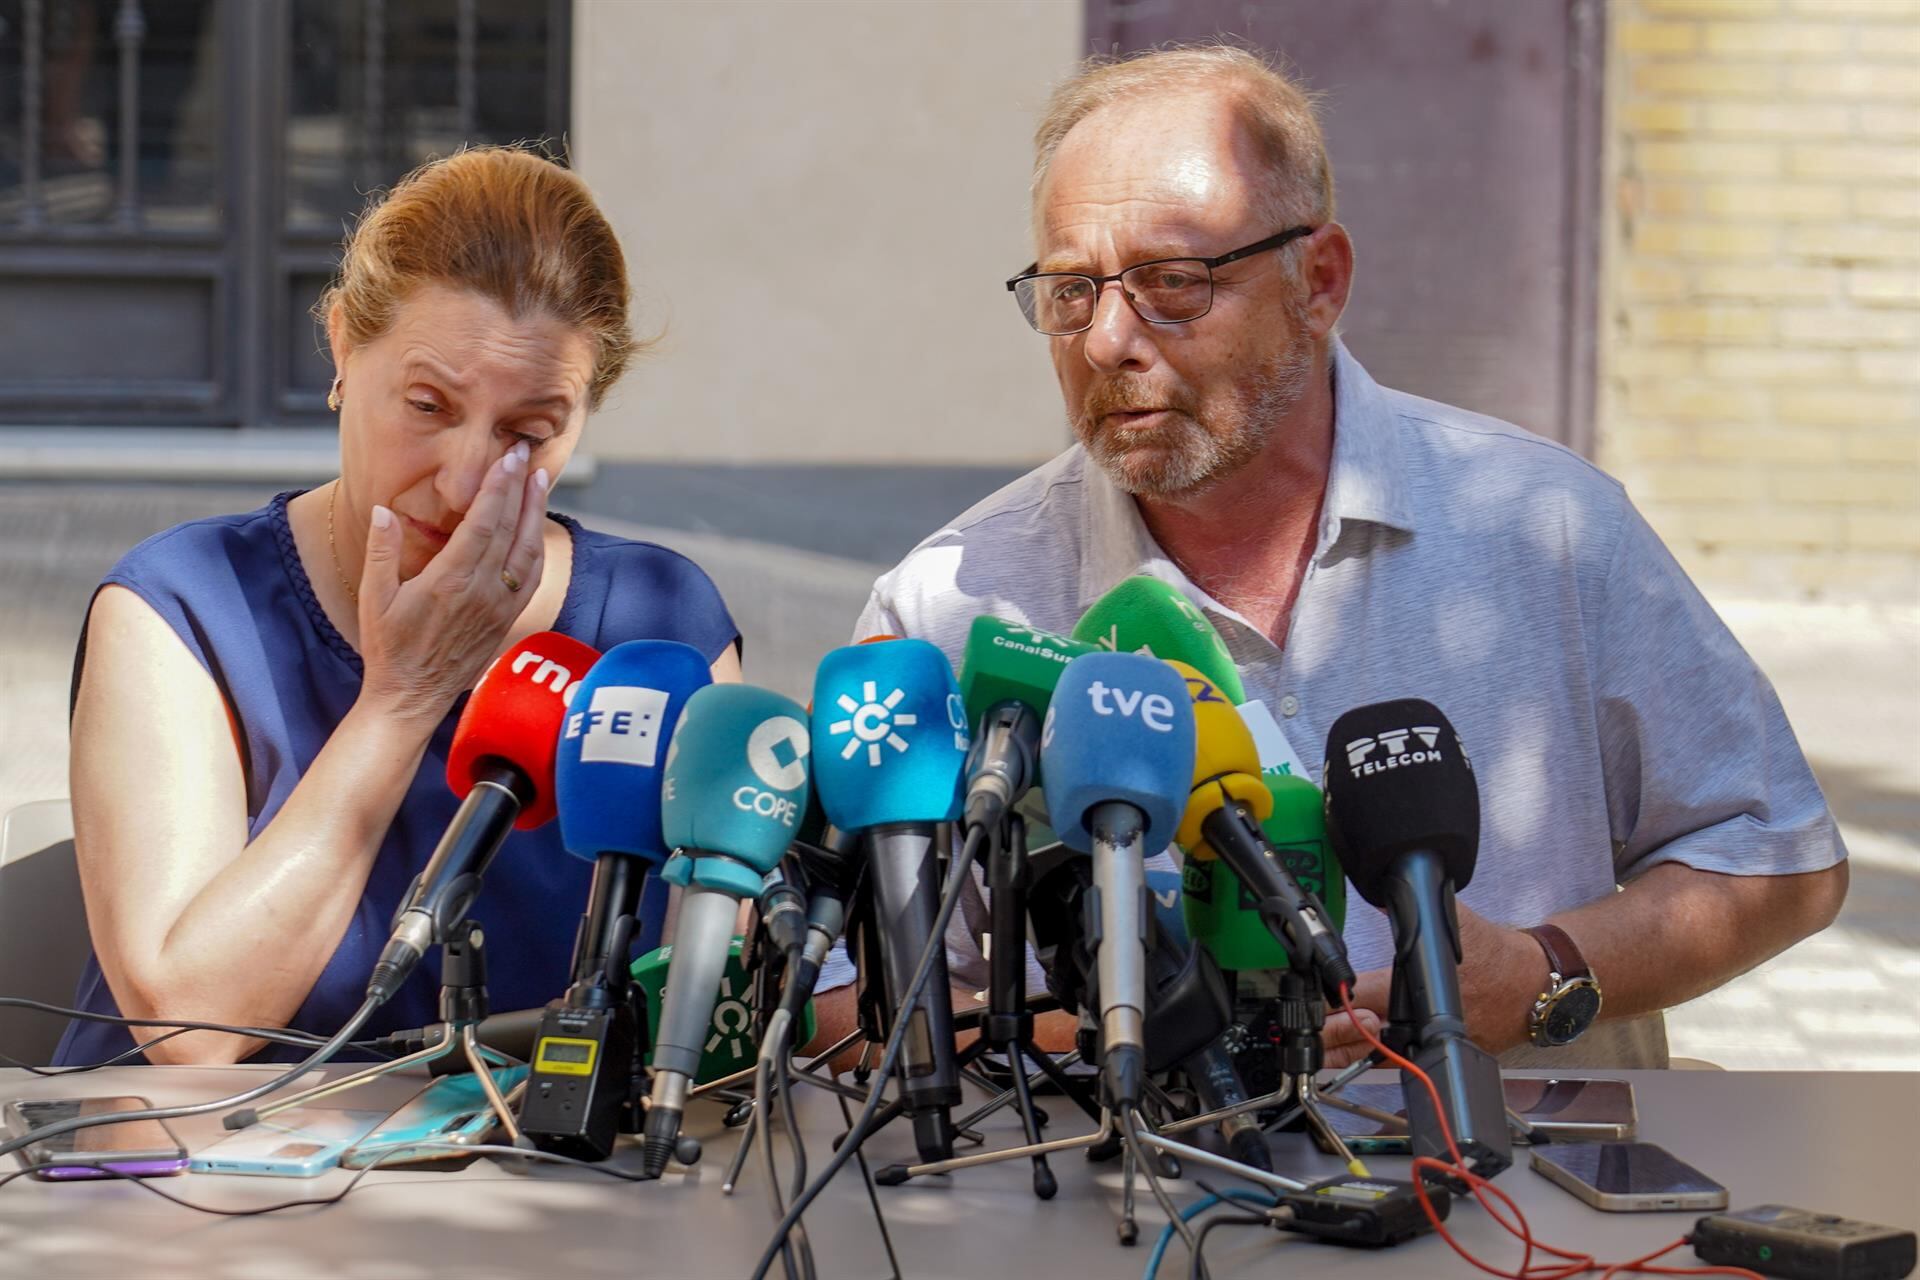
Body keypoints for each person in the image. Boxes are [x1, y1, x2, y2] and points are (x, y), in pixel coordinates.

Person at [854, 48, 1848, 1069]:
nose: (1106, 339)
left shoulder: (1549, 529)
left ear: (1319, 282)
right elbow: (862, 1000)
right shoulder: (949, 608)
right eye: (1071, 290)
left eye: (1172, 282)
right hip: (1119, 1170)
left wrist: (1543, 973)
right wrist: (1128, 1035)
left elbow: (1777, 857)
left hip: (1522, 1165)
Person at [59, 147, 741, 1066]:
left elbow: (717, 1019)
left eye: (527, 433)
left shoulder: (659, 623)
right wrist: (404, 696)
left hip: (535, 1153)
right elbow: (187, 1023)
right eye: (427, 405)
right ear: (344, 345)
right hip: (196, 1149)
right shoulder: (183, 605)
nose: (465, 481)